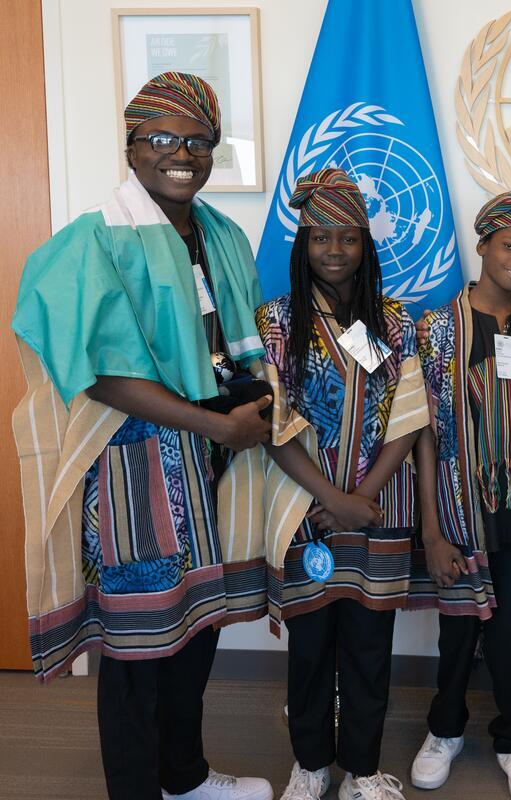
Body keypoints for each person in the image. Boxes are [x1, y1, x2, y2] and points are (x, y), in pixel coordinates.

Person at [11, 72, 272, 799]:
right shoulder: (95, 238)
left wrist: (246, 409)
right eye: (162, 138)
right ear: (131, 147)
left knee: (199, 625)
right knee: (137, 642)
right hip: (134, 467)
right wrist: (218, 423)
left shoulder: (220, 236)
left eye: (198, 141)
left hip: (212, 459)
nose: (181, 154)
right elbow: (100, 374)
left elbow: (232, 345)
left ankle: (184, 777)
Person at [252, 168, 427, 800]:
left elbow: (409, 415)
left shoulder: (395, 321)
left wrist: (363, 498)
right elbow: (272, 422)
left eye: (348, 238)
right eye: (321, 237)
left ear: (366, 245)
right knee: (310, 645)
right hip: (306, 510)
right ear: (303, 244)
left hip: (378, 508)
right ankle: (310, 765)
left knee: (369, 646)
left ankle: (362, 768)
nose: (334, 250)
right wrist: (332, 500)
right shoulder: (276, 322)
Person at [408, 190, 511, 800]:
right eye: (508, 246)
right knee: (457, 629)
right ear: (481, 245)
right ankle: (445, 730)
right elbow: (423, 432)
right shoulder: (436, 329)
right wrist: (432, 531)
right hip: (459, 507)